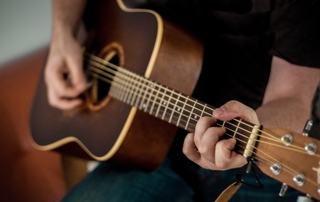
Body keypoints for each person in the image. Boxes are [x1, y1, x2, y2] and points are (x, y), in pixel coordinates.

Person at [44, 0, 320, 201]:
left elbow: (293, 98)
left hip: (254, 162)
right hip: (146, 143)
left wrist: (253, 134)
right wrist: (62, 35)